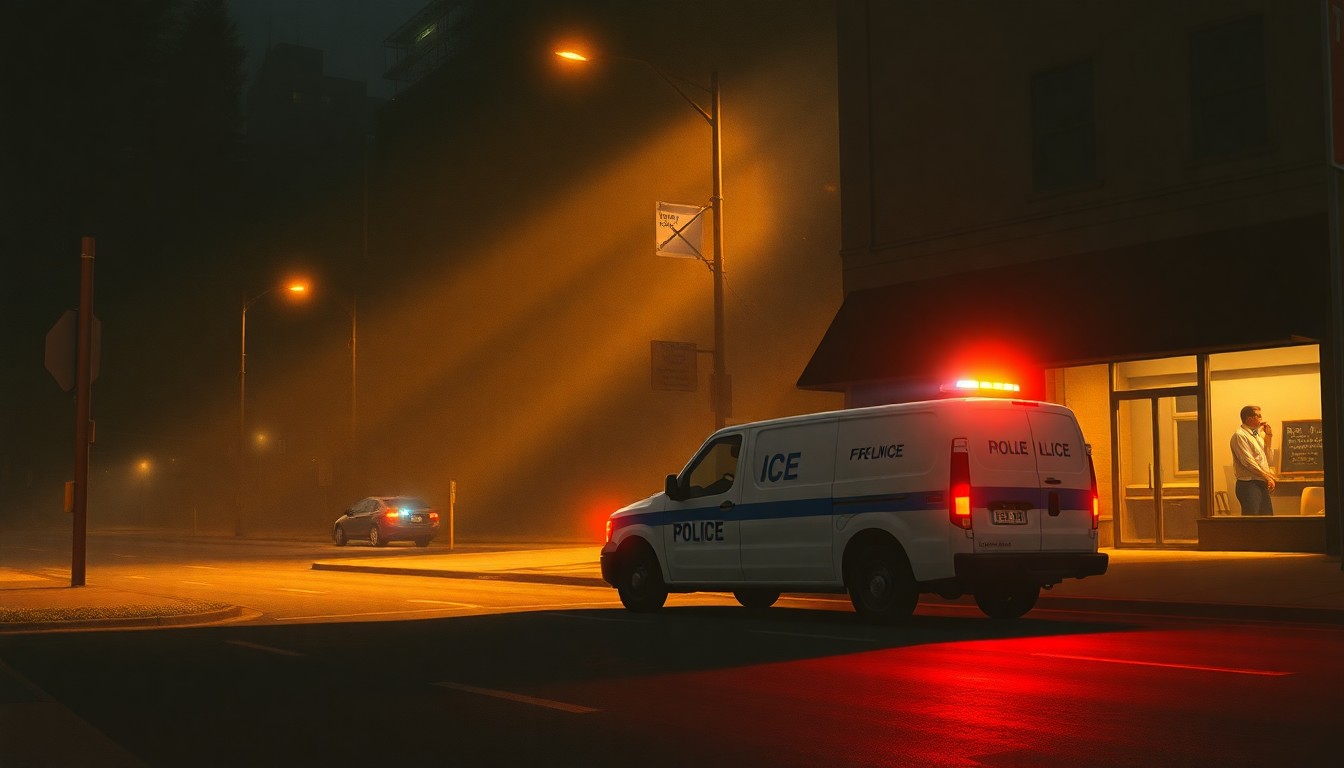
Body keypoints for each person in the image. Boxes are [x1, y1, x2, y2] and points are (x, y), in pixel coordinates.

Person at [1230, 405, 1275, 516]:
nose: (1261, 418)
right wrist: (1267, 477)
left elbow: (1268, 458)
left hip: (1260, 483)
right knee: (1252, 521)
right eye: (1258, 416)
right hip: (1248, 484)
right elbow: (1248, 463)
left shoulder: (1256, 435)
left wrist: (1268, 437)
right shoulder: (1240, 435)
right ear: (1249, 418)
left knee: (1268, 518)